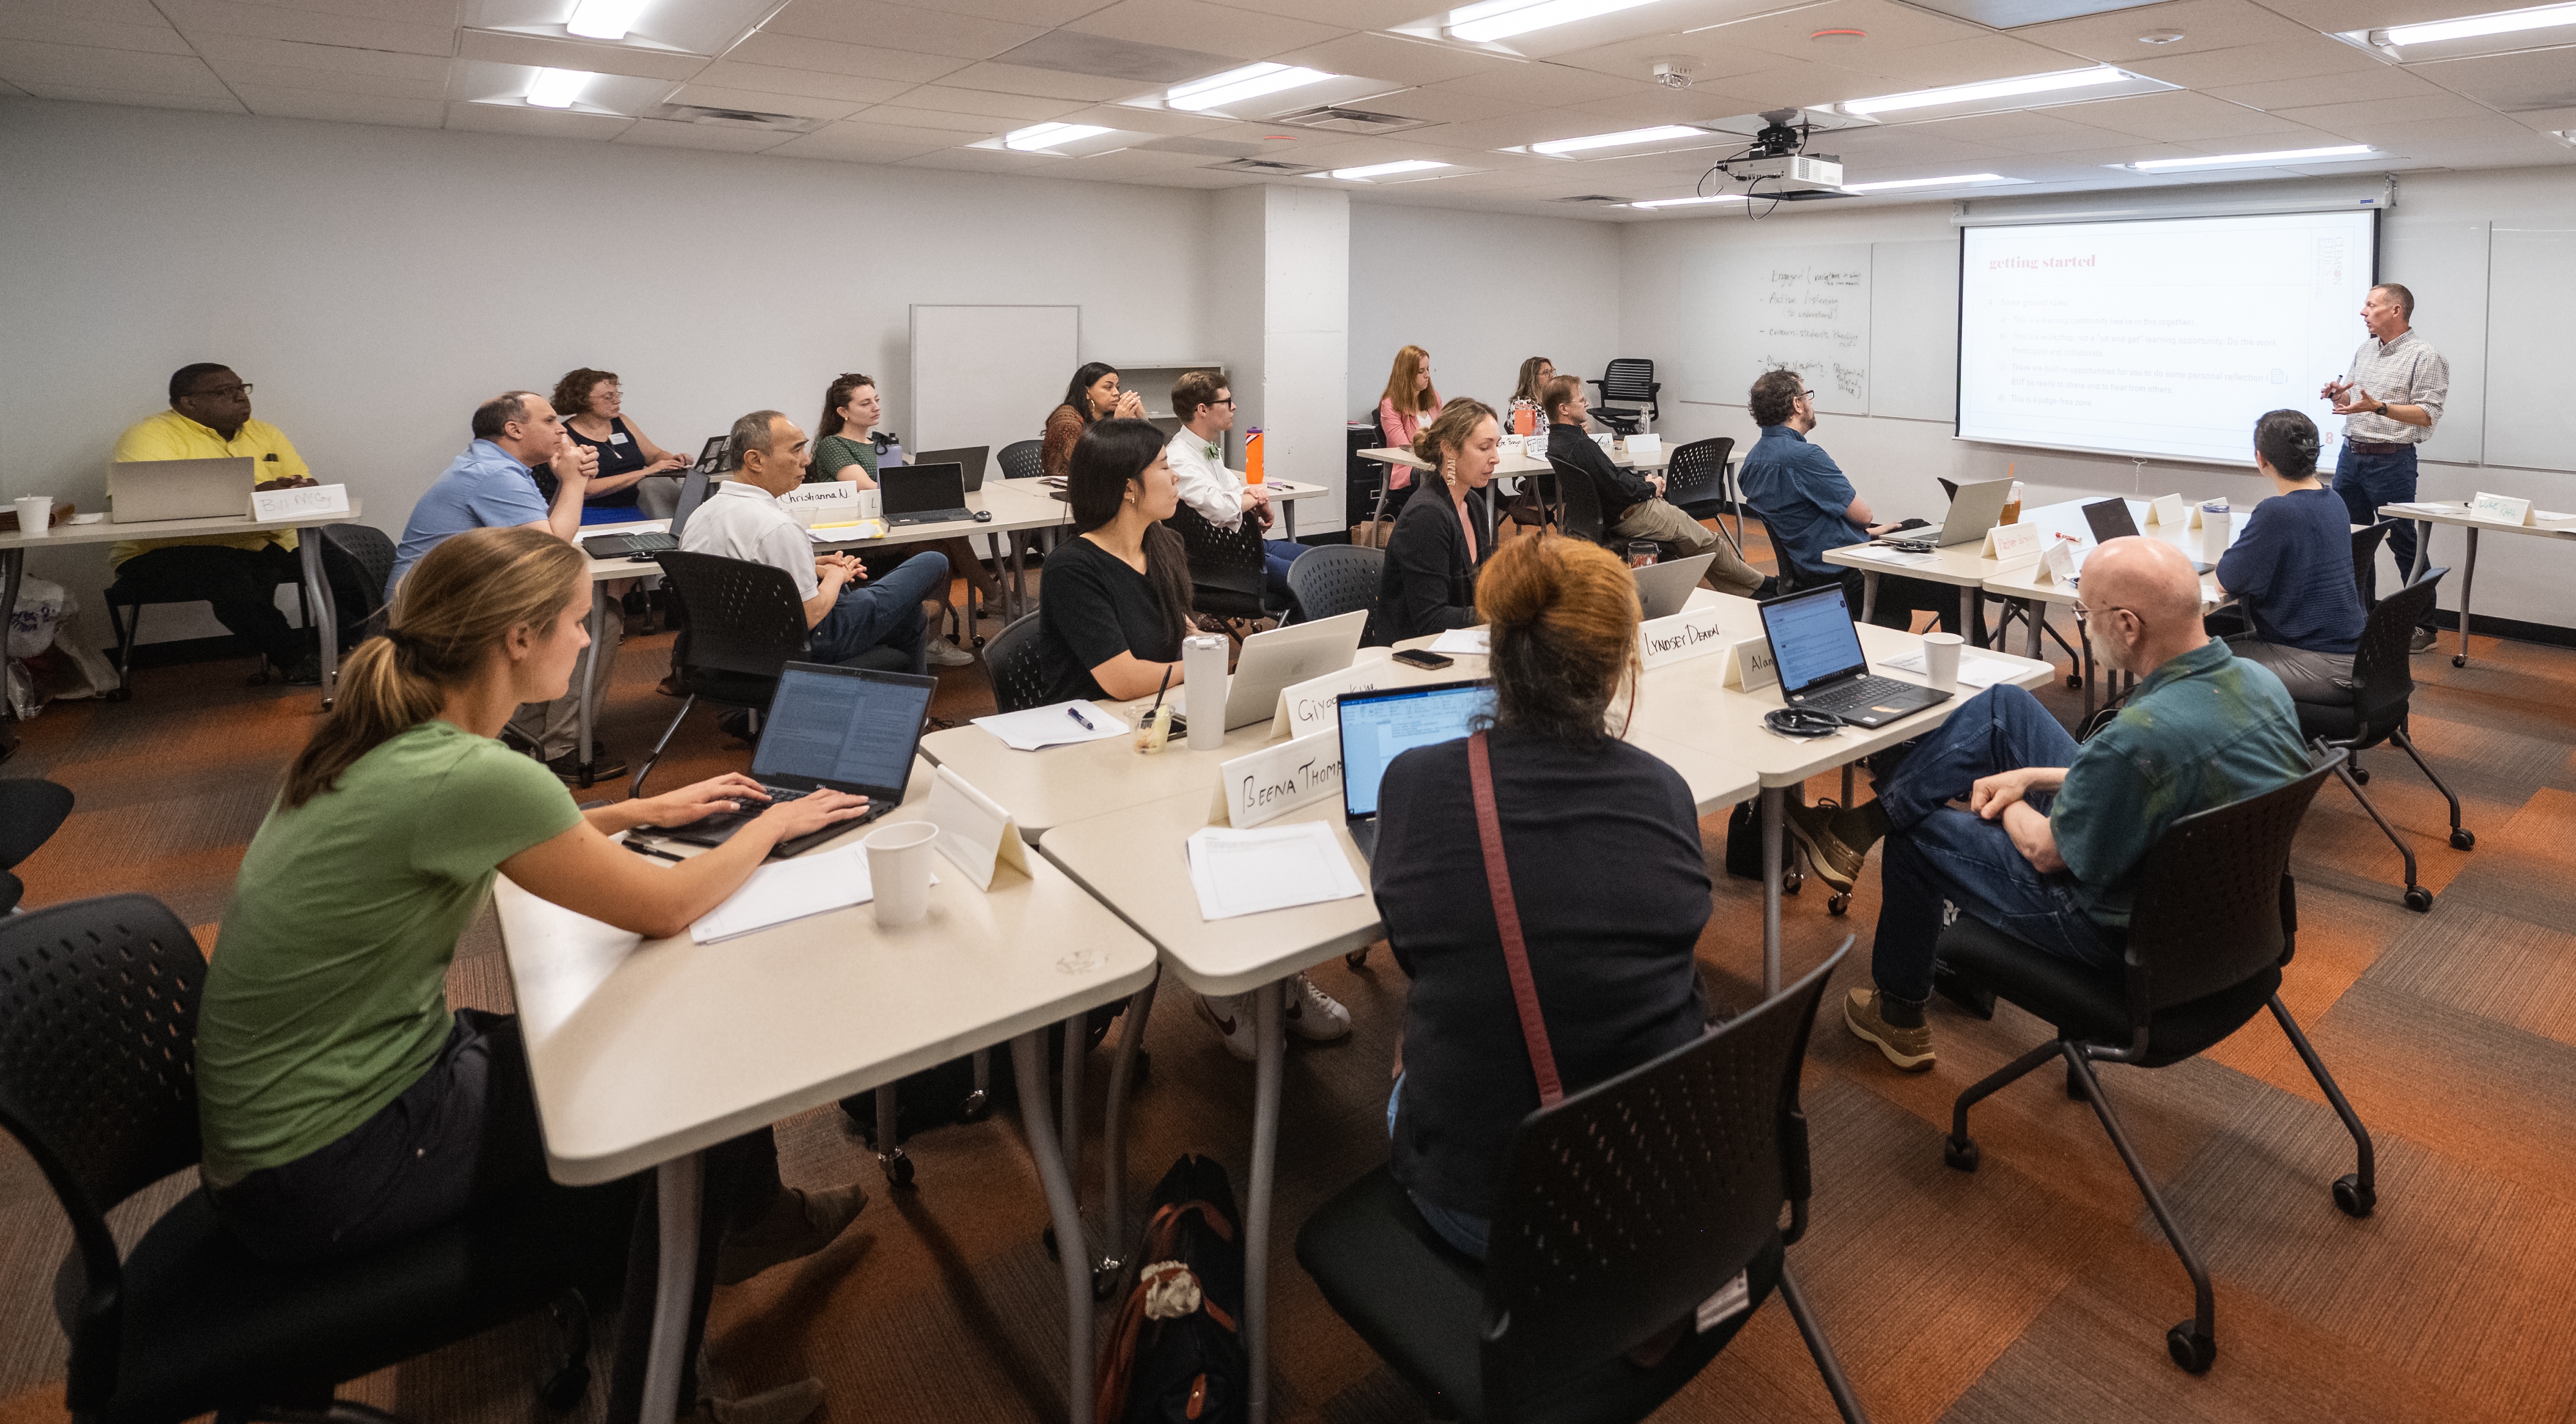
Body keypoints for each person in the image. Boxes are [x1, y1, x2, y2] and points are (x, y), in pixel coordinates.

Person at [195, 526, 876, 1290]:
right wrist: (775, 822)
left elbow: (489, 835)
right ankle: (688, 1345)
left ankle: (742, 1222)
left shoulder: (377, 737)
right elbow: (668, 905)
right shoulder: (475, 772)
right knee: (693, 1040)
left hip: (286, 1129)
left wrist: (637, 814)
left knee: (617, 1019)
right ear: (520, 636)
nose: (588, 639)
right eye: (579, 620)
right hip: (330, 1163)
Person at [1802, 538, 2311, 1072]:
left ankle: (1898, 1015)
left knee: (1920, 834)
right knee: (2006, 707)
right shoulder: (2259, 685)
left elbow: (2046, 852)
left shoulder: (2139, 737)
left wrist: (2000, 796)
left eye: (2084, 614)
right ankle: (1854, 831)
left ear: (2127, 625)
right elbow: (2165, 773)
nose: (2081, 626)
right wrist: (2031, 776)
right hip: (2229, 920)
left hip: (2117, 933)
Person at [1372, 533, 1711, 1257]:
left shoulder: (1412, 782)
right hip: (1656, 1188)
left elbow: (1412, 952)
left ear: (1495, 652)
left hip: (1488, 1205)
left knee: (1413, 1036)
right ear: (1621, 667)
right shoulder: (1666, 793)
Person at [1037, 417, 1352, 1057]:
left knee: (1259, 803)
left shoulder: (1162, 545)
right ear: (1128, 488)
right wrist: (1223, 661)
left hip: (1159, 727)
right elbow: (1122, 678)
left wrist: (1221, 659)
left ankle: (1280, 976)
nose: (1175, 475)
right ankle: (1227, 989)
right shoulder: (1073, 568)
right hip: (1092, 752)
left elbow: (1184, 634)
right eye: (1163, 467)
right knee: (1207, 821)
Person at [391, 391, 616, 781]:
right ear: (513, 429)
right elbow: (548, 548)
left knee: (578, 616)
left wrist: (568, 479)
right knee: (597, 622)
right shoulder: (494, 475)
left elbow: (539, 536)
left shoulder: (493, 466)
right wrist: (575, 481)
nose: (560, 429)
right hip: (437, 609)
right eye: (548, 421)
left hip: (442, 597)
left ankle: (528, 734)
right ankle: (564, 747)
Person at [683, 410, 949, 672]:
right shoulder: (778, 527)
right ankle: (912, 710)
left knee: (911, 619)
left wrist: (809, 564)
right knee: (934, 560)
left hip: (728, 646)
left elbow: (741, 575)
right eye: (796, 450)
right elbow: (810, 616)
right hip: (804, 645)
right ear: (755, 460)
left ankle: (904, 704)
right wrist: (836, 575)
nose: (807, 460)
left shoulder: (701, 516)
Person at [110, 363, 326, 685]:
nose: (240, 397)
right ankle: (299, 661)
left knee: (346, 559)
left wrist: (298, 487)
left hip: (267, 543)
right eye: (225, 392)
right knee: (230, 576)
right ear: (188, 403)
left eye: (242, 388)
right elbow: (142, 501)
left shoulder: (266, 432)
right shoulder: (149, 436)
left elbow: (306, 482)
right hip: (171, 552)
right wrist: (253, 496)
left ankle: (353, 650)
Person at [1737, 369, 1971, 635]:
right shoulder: (1805, 457)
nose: (1811, 403)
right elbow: (1864, 516)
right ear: (1797, 404)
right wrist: (1862, 531)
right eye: (1807, 396)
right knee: (1958, 587)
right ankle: (1979, 667)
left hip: (1809, 569)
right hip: (1847, 574)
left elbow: (1802, 522)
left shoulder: (1752, 463)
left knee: (1913, 527)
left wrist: (1864, 534)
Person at [809, 373, 993, 668]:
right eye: (865, 403)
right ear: (843, 412)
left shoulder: (881, 442)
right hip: (861, 538)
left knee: (942, 545)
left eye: (876, 400)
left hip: (892, 528)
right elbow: (868, 487)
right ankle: (995, 595)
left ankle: (932, 638)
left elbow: (903, 483)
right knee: (949, 537)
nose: (875, 407)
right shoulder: (833, 446)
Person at [1542, 374, 1763, 596]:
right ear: (1564, 409)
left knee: (1696, 544)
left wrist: (1644, 482)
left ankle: (1748, 591)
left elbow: (1613, 480)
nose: (1587, 403)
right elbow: (1620, 489)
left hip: (1606, 516)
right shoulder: (1581, 446)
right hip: (1632, 512)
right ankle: (1762, 585)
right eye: (1581, 401)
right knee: (1709, 542)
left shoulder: (1557, 443)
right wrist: (1651, 487)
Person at [2322, 283, 2448, 651]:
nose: (2363, 312)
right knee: (2351, 540)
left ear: (2395, 310)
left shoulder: (2424, 356)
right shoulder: (2365, 349)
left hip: (2391, 459)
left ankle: (2423, 627)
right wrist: (2338, 393)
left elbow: (2428, 414)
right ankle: (2360, 619)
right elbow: (2355, 397)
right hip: (2351, 456)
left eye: (2370, 305)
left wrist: (2379, 407)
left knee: (2404, 541)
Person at [2214, 409, 2366, 704]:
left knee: (2196, 659)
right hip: (2357, 656)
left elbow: (2226, 580)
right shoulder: (2334, 500)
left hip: (2318, 662)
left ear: (2262, 459)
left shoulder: (2277, 512)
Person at [1165, 371, 1307, 605]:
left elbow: (1235, 491)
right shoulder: (1178, 457)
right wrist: (1255, 500)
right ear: (1203, 410)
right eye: (1227, 401)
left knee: (1328, 560)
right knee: (1318, 578)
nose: (1234, 407)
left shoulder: (1205, 448)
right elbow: (1223, 508)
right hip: (1225, 561)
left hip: (1243, 548)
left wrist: (1254, 498)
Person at [1365, 400, 1498, 646]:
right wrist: (1502, 615)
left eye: (1496, 446)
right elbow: (1431, 620)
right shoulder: (1427, 516)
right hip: (1413, 654)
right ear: (1449, 450)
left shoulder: (1474, 506)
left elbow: (1486, 589)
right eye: (1484, 448)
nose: (1496, 459)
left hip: (1454, 645)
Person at [550, 368, 690, 521]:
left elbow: (654, 455)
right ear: (583, 400)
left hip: (633, 508)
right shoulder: (565, 436)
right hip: (590, 513)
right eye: (608, 397)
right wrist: (646, 472)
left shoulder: (622, 421)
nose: (617, 400)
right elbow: (587, 489)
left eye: (617, 394)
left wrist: (673, 460)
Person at [1043, 362, 1145, 480]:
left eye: (1117, 387)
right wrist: (1117, 426)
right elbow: (1088, 468)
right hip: (1070, 490)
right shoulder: (1066, 420)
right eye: (1108, 387)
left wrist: (1142, 419)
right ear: (1087, 393)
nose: (1116, 393)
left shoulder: (1109, 416)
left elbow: (1142, 460)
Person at [1374, 346, 1443, 499]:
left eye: (1428, 369)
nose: (1427, 376)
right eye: (1421, 371)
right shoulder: (1390, 405)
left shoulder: (1434, 398)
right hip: (1407, 470)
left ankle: (1503, 508)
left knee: (1475, 473)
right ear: (1407, 375)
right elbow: (1405, 448)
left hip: (1435, 463)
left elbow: (1443, 434)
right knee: (1446, 477)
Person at [1509, 356, 1554, 439]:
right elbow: (1527, 437)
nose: (1551, 376)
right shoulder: (1521, 405)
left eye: (1552, 371)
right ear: (1532, 378)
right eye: (1546, 372)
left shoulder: (1552, 402)